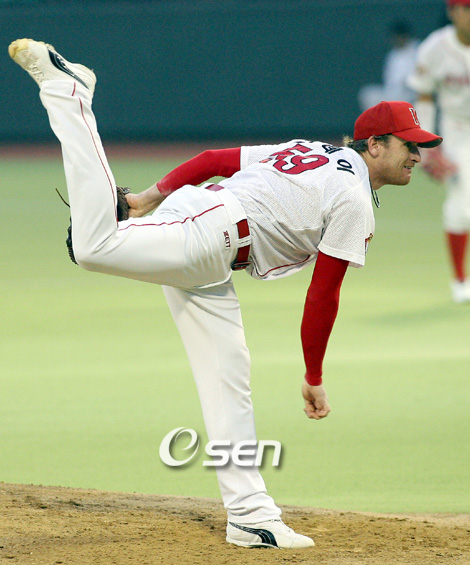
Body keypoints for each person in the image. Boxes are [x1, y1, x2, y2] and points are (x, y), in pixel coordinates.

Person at [8, 38, 442, 550]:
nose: (418, 155)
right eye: (408, 144)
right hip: (209, 233)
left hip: (210, 248)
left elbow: (215, 159)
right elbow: (323, 295)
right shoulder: (353, 198)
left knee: (227, 378)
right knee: (92, 246)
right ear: (375, 145)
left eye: (420, 145)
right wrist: (314, 376)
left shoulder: (311, 149)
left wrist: (146, 199)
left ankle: (250, 516)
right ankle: (70, 96)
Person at [408, 0, 470, 303]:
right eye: (466, 8)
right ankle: (460, 280)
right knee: (464, 204)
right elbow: (424, 95)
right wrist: (427, 146)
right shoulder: (435, 48)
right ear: (452, 11)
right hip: (457, 131)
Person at [358, 20, 419, 111]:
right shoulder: (392, 54)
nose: (397, 39)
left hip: (410, 96)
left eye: (399, 36)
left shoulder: (417, 50)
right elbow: (389, 81)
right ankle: (383, 120)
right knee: (368, 94)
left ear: (405, 36)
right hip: (392, 94)